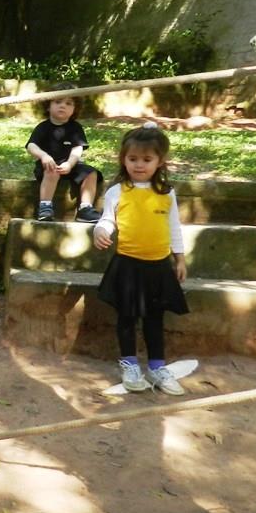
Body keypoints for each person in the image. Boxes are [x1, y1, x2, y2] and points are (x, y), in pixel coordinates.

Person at [92, 123, 189, 396]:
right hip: (128, 266)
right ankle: (129, 364)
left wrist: (179, 259)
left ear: (160, 161)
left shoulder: (166, 193)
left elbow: (174, 228)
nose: (139, 165)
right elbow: (107, 220)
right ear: (123, 159)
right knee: (126, 317)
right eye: (133, 159)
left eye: (147, 160)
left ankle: (157, 367)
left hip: (158, 267)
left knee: (155, 319)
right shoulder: (118, 191)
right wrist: (100, 232)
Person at [25, 83, 102, 222]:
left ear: (74, 109)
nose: (63, 106)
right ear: (48, 106)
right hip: (49, 164)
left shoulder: (75, 128)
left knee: (91, 173)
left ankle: (85, 208)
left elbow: (77, 148)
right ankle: (45, 206)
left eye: (69, 103)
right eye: (58, 101)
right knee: (51, 169)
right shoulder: (43, 127)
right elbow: (31, 145)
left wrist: (70, 163)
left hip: (70, 164)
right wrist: (44, 156)